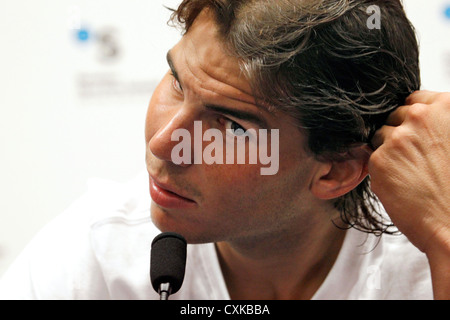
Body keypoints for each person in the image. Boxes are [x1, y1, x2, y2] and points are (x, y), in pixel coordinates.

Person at [0, 0, 448, 300]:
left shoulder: (426, 260)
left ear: (336, 170)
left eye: (231, 126)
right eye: (177, 83)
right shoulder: (96, 255)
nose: (163, 143)